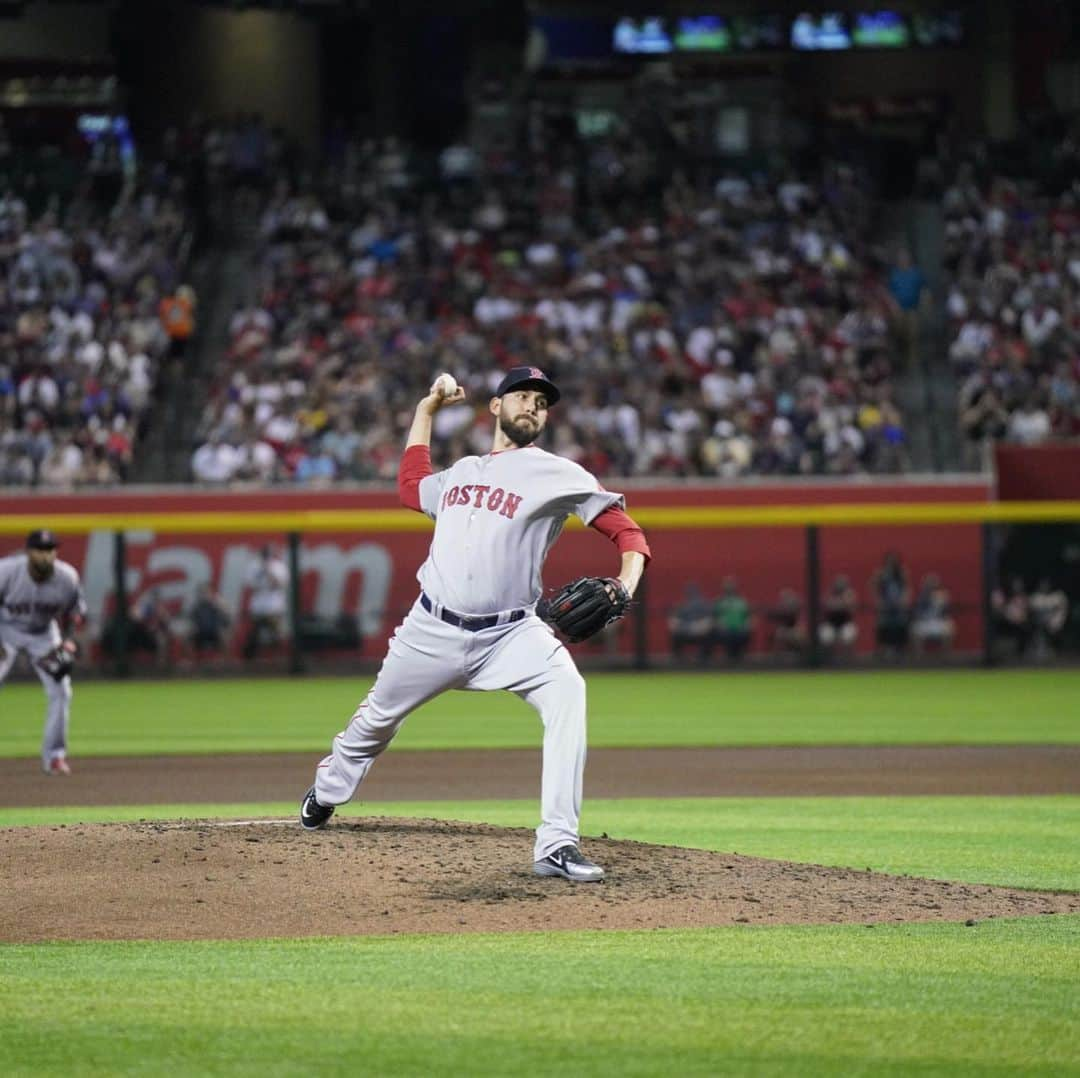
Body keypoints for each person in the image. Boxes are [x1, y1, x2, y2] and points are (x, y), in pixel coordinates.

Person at [299, 367, 651, 882]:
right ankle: (328, 791)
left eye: (542, 402)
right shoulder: (462, 471)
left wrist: (624, 585)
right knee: (375, 721)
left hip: (512, 633)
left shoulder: (558, 473)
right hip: (430, 629)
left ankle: (557, 842)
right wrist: (426, 410)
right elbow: (410, 487)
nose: (533, 406)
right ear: (495, 407)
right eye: (523, 396)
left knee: (568, 693)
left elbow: (630, 535)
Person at [0, 529, 87, 774]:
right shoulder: (6, 571)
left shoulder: (67, 576)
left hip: (43, 633)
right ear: (29, 552)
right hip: (5, 628)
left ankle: (55, 757)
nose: (46, 555)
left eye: (50, 550)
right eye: (40, 550)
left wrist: (69, 641)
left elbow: (76, 611)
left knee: (62, 691)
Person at [243, 545, 289, 660]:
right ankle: (252, 660)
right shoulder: (253, 566)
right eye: (264, 555)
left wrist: (268, 571)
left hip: (274, 605)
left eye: (268, 555)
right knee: (255, 634)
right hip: (258, 605)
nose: (266, 558)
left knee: (277, 634)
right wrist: (262, 571)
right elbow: (252, 586)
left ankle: (281, 657)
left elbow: (279, 585)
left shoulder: (279, 567)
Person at [871, 551, 911, 656]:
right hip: (885, 606)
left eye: (894, 560)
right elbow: (874, 588)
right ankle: (883, 650)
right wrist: (879, 601)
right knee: (883, 626)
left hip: (899, 606)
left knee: (901, 626)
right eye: (890, 560)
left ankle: (901, 650)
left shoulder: (902, 573)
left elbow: (907, 589)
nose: (892, 562)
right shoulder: (880, 573)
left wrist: (903, 601)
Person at [668, 582, 714, 664]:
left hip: (700, 632)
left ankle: (705, 660)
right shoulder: (682, 606)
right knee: (675, 636)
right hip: (685, 632)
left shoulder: (704, 605)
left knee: (710, 634)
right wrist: (686, 627)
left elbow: (709, 620)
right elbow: (674, 621)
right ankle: (678, 660)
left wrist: (699, 627)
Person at [910, 573, 955, 654]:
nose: (932, 586)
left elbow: (947, 613)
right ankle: (919, 657)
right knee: (914, 629)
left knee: (950, 627)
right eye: (929, 584)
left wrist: (943, 602)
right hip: (925, 622)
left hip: (939, 621)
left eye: (934, 584)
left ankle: (946, 657)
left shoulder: (943, 595)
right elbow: (917, 613)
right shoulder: (921, 597)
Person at [187, 583, 232, 659]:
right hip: (200, 631)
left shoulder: (218, 602)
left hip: (215, 630)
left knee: (224, 636)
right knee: (188, 635)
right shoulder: (196, 605)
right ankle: (189, 661)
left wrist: (215, 604)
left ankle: (224, 661)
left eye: (206, 592)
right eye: (202, 592)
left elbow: (227, 617)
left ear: (211, 592)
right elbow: (189, 619)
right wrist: (192, 628)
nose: (204, 594)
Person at [819, 574, 858, 658]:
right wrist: (838, 603)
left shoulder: (849, 595)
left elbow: (851, 608)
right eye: (838, 584)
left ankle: (848, 659)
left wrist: (844, 600)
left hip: (845, 623)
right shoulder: (830, 594)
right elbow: (828, 605)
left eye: (842, 585)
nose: (840, 587)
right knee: (826, 636)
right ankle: (828, 659)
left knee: (848, 636)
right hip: (831, 624)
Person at [1028, 578, 1068, 659]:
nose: (1045, 586)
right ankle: (1040, 649)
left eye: (1047, 584)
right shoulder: (1036, 597)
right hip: (1040, 625)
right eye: (1043, 584)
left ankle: (1052, 650)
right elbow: (1034, 613)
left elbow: (1063, 612)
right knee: (1039, 627)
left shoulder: (1058, 596)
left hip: (1057, 624)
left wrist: (1055, 622)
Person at [714, 576, 752, 661]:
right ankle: (729, 661)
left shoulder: (741, 601)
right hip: (725, 631)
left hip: (740, 630)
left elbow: (747, 617)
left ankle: (739, 660)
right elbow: (715, 617)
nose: (729, 587)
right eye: (727, 585)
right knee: (728, 636)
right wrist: (720, 625)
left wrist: (747, 625)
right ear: (723, 588)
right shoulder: (720, 601)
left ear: (735, 587)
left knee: (741, 635)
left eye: (731, 585)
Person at [991, 577, 1031, 657]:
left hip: (1019, 622)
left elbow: (1026, 612)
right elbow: (1001, 611)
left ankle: (1021, 653)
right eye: (1015, 585)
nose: (1017, 587)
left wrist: (1021, 618)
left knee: (1026, 628)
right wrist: (1010, 617)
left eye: (1019, 585)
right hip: (1006, 621)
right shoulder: (1005, 596)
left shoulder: (1023, 597)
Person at [767, 587, 805, 655]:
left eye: (786, 598)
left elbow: (794, 614)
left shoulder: (795, 606)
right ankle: (779, 655)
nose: (784, 600)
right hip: (785, 629)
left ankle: (800, 654)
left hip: (795, 628)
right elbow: (778, 615)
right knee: (779, 633)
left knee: (797, 636)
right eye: (783, 598)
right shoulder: (782, 607)